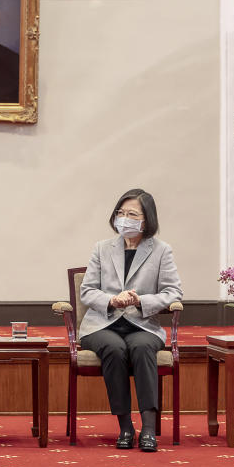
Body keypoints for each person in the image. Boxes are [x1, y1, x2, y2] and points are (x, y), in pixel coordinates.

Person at [78, 189, 183, 452]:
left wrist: (140, 301)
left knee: (142, 347)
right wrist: (112, 300)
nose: (124, 218)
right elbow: (87, 290)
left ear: (146, 220)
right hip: (102, 323)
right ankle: (125, 427)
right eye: (120, 213)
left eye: (132, 214)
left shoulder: (161, 251)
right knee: (114, 348)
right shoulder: (102, 248)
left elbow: (173, 293)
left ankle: (148, 429)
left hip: (141, 323)